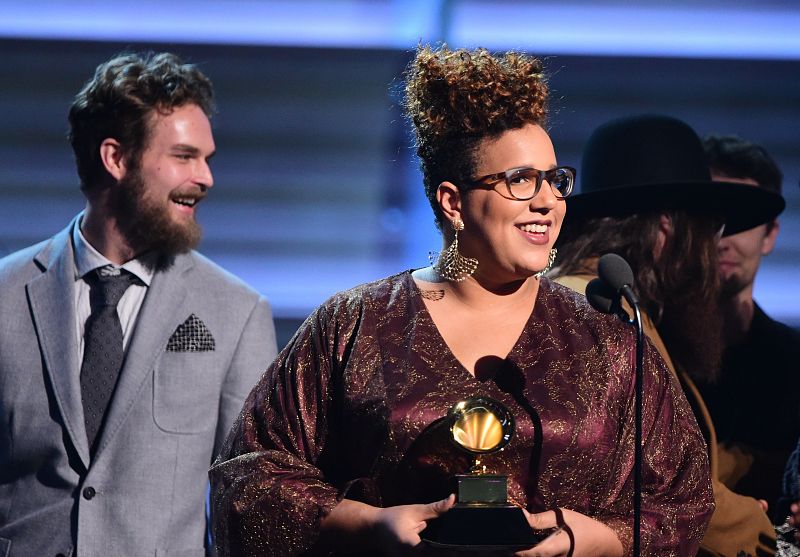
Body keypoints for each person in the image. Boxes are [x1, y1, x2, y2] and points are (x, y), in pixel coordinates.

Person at [210, 46, 713, 557]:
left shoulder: (605, 338)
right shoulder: (354, 324)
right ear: (453, 202)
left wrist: (595, 539)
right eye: (520, 180)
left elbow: (683, 499)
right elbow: (252, 478)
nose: (548, 201)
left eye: (555, 180)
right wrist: (367, 524)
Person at [0, 52, 277, 556]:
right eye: (184, 156)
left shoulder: (237, 314)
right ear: (116, 158)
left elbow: (251, 502)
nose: (205, 178)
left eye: (207, 159)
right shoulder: (4, 294)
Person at [551, 114, 786, 557]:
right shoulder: (607, 314)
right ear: (666, 229)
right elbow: (664, 479)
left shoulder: (584, 297)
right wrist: (774, 539)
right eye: (707, 230)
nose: (711, 248)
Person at [697, 135, 799, 518]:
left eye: (742, 217)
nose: (723, 238)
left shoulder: (793, 363)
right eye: (712, 218)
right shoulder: (646, 351)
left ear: (770, 234)